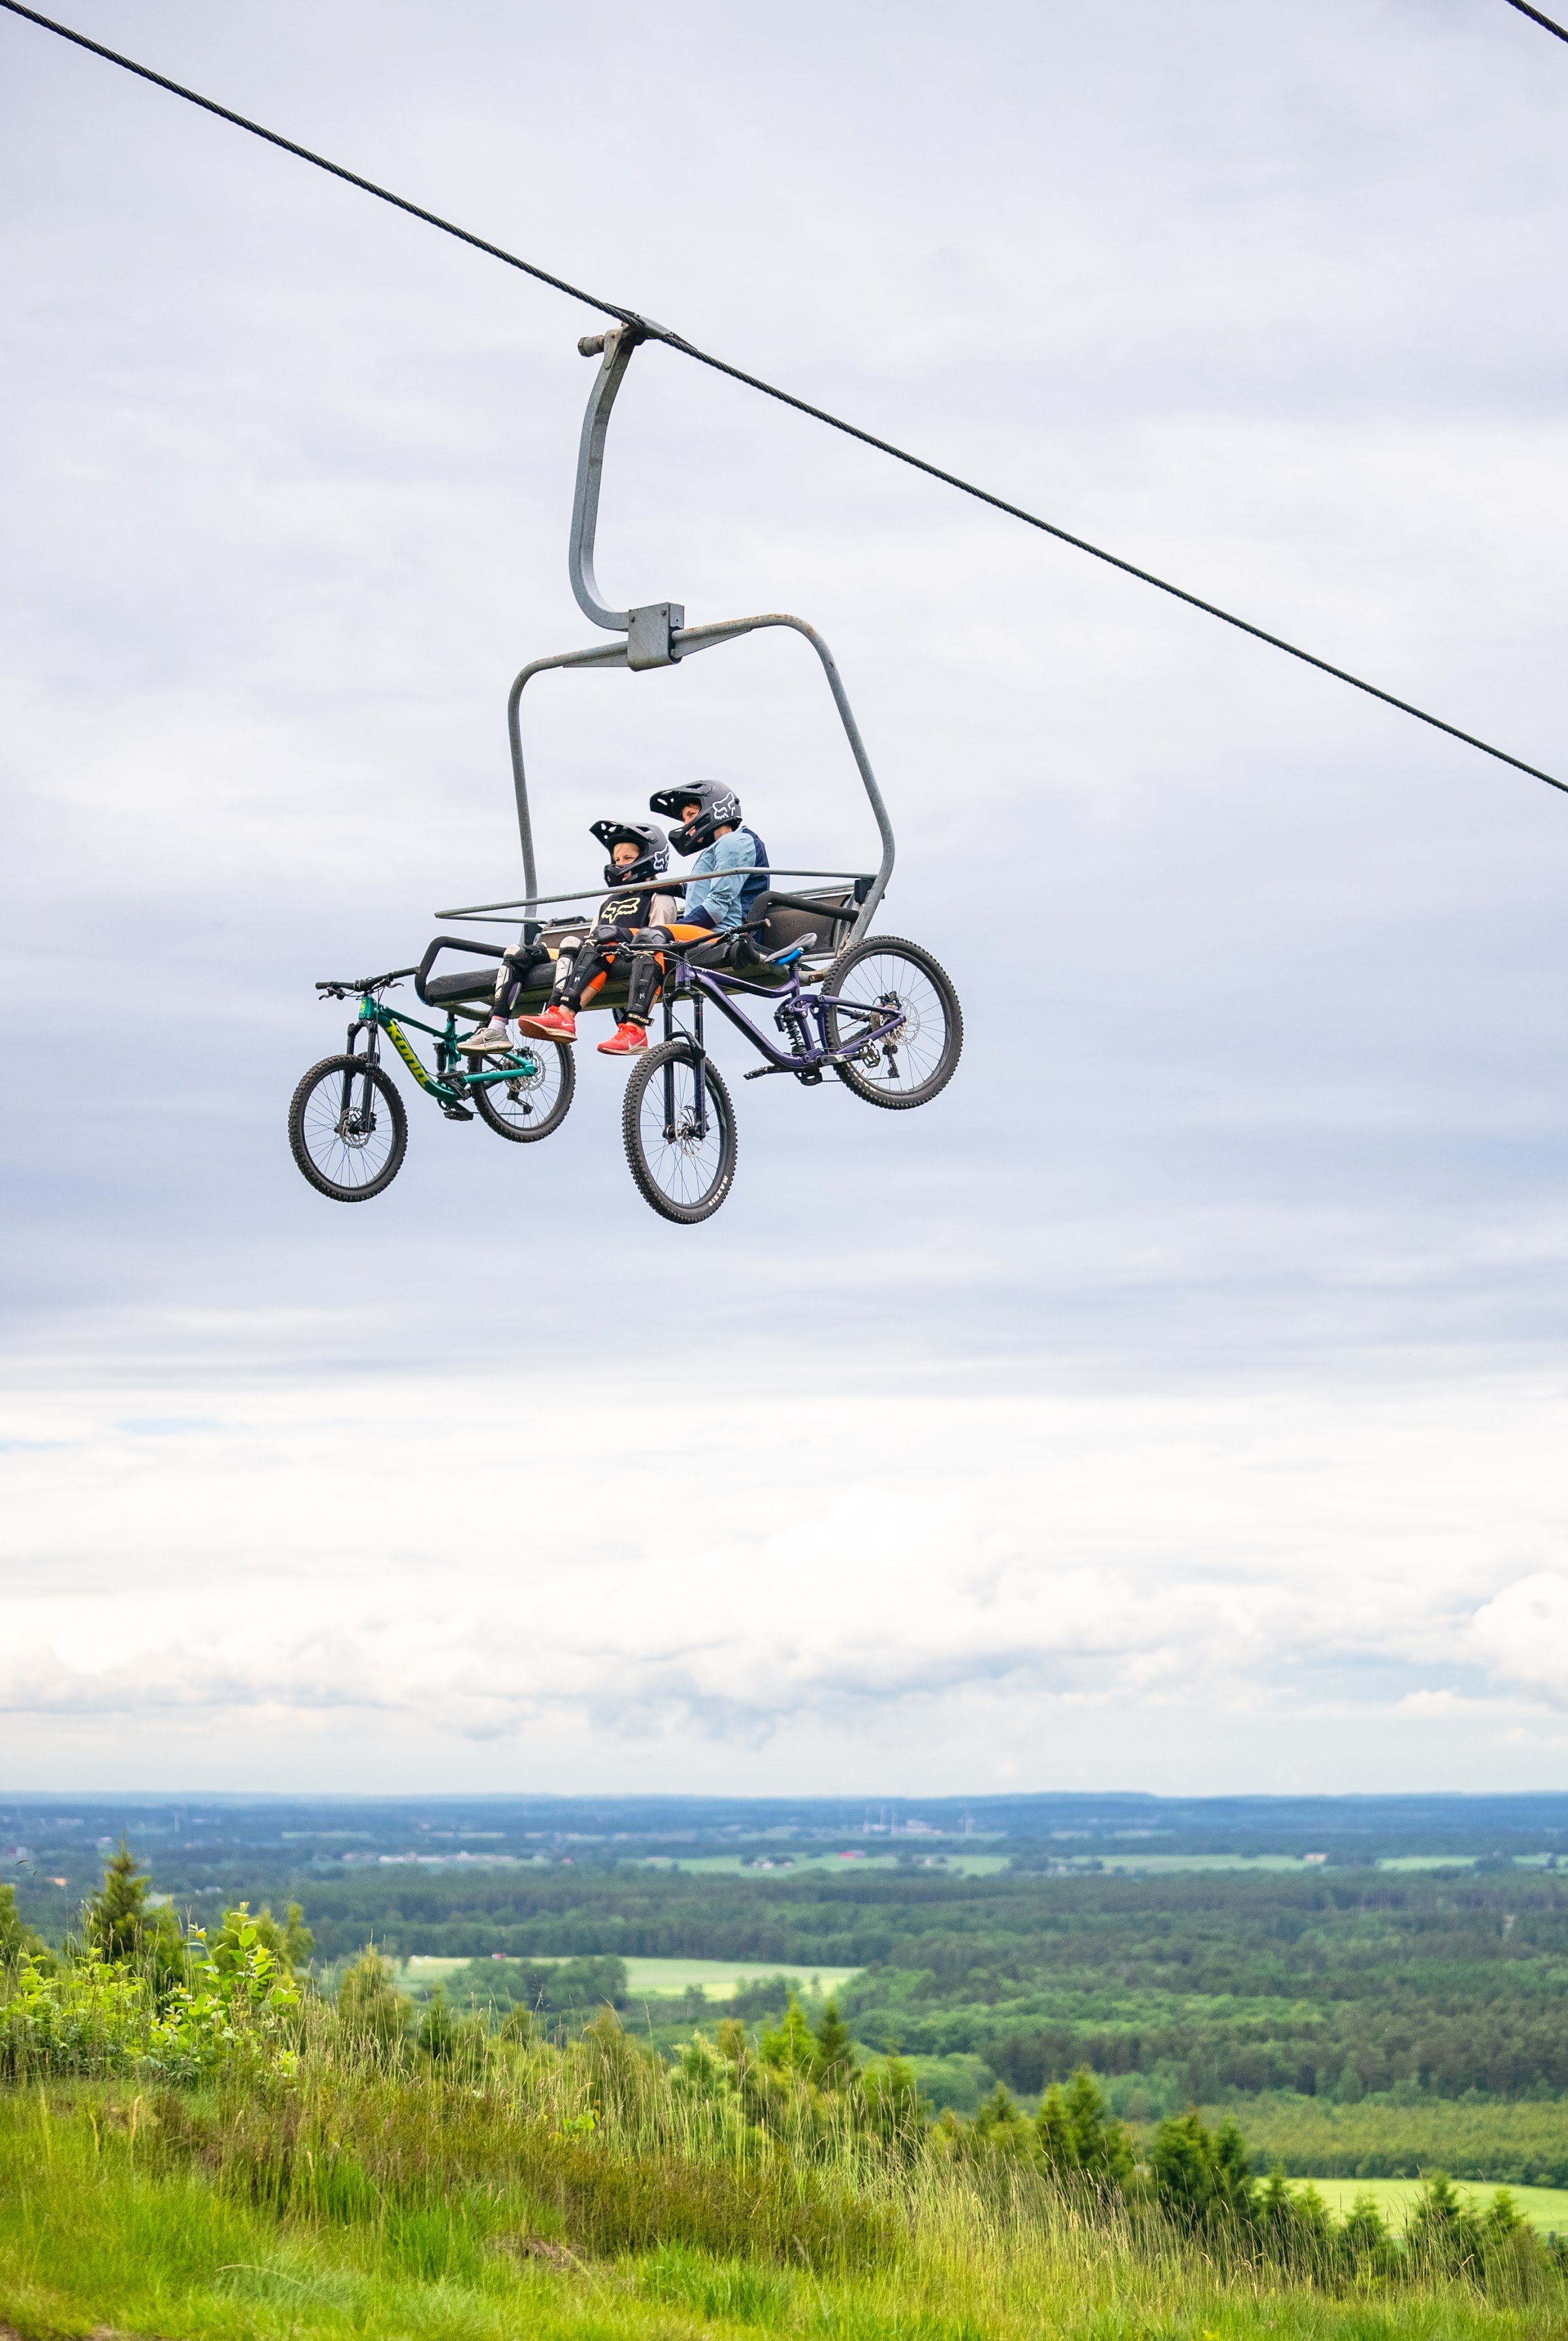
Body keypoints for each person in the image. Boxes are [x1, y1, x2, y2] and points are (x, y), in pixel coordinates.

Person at [457, 821, 679, 1058]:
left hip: (626, 955)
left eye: (627, 858)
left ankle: (562, 1012)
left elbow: (657, 941)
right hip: (599, 952)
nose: (619, 865)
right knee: (518, 952)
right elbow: (595, 935)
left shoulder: (660, 897)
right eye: (616, 860)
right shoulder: (608, 901)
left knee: (585, 940)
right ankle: (496, 1028)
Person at [609, 783, 773, 1038]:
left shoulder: (735, 842)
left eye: (690, 814)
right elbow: (698, 890)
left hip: (727, 934)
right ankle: (625, 1024)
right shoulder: (721, 847)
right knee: (621, 939)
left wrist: (669, 930)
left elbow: (716, 907)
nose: (687, 823)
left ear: (714, 809)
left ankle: (635, 1029)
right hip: (711, 931)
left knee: (652, 937)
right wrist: (656, 887)